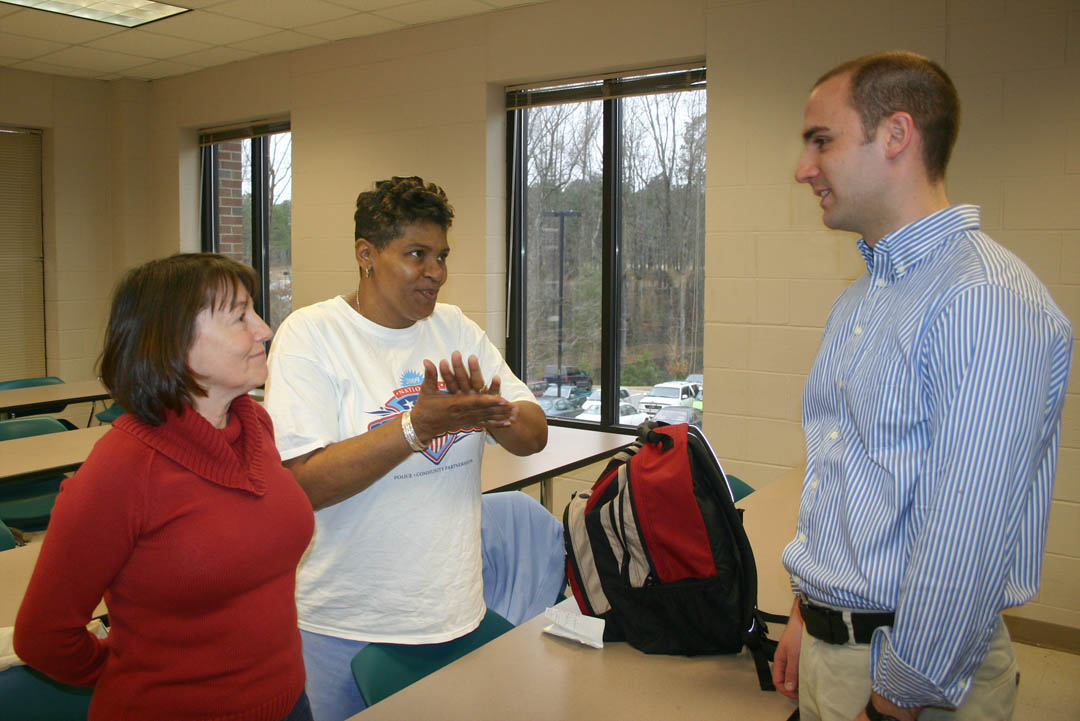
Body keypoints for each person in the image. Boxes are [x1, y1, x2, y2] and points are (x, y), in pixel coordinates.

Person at [772, 52, 1073, 721]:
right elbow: (848, 478)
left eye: (821, 140)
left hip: (912, 676)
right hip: (839, 649)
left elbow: (962, 542)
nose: (803, 168)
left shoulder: (982, 299)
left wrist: (893, 702)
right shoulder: (862, 301)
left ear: (897, 136)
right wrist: (807, 612)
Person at [263, 176, 556, 720]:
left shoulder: (455, 328)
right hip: (343, 626)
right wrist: (414, 428)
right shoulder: (311, 336)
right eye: (417, 254)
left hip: (454, 610)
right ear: (366, 254)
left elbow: (533, 436)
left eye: (441, 256)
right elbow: (301, 485)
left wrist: (494, 412)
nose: (436, 272)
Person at [14, 254, 315, 721]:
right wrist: (134, 672)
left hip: (288, 702)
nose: (263, 329)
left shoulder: (255, 425)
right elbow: (43, 636)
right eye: (239, 316)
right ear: (173, 341)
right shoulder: (122, 469)